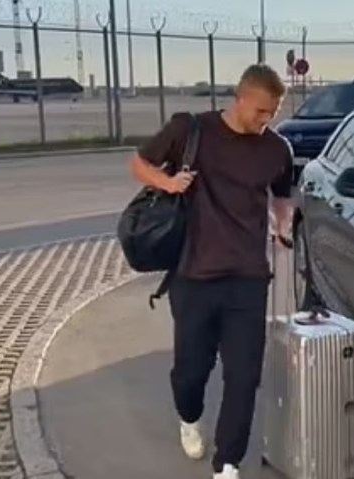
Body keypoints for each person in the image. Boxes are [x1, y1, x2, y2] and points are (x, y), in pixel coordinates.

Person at [129, 64, 294, 479]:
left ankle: (228, 464)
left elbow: (281, 195)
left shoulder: (277, 150)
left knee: (244, 377)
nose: (265, 120)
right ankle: (189, 417)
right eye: (260, 111)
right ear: (240, 99)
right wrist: (168, 185)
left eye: (272, 113)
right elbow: (140, 164)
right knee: (191, 372)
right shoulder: (190, 131)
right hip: (194, 277)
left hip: (248, 279)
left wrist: (283, 224)